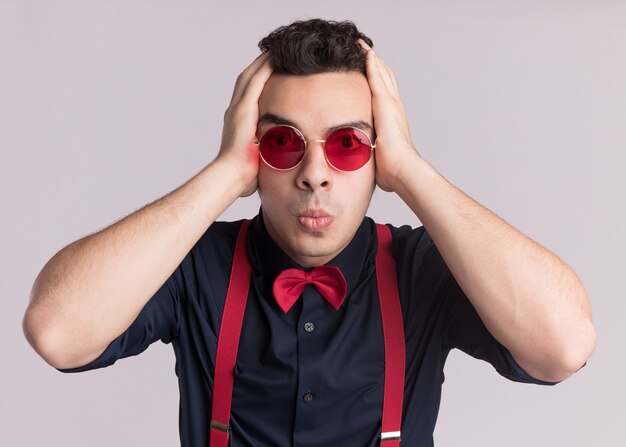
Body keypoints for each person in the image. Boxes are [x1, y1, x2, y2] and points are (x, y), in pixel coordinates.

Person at [23, 19, 596, 447]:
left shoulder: (423, 269)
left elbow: (564, 347)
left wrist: (411, 170)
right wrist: (223, 174)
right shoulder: (198, 267)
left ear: (378, 154)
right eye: (283, 142)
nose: (314, 174)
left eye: (347, 144)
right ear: (255, 152)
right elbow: (56, 331)